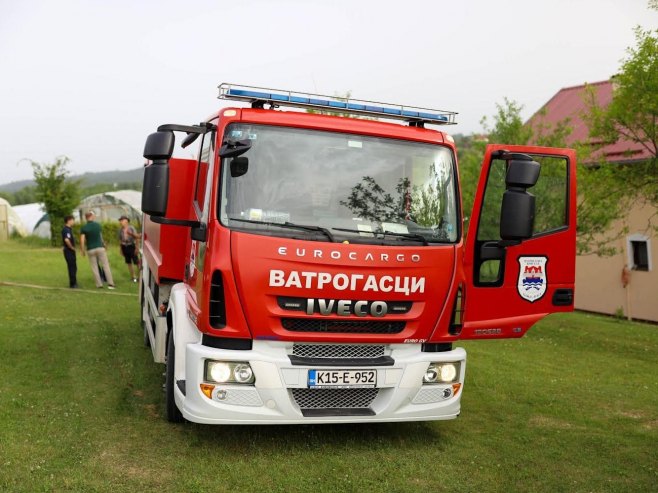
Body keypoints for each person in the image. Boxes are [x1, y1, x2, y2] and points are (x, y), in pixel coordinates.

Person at [80, 210, 116, 289]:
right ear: (91, 217)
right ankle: (111, 284)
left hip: (90, 249)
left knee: (94, 267)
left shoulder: (84, 228)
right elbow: (100, 237)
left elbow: (82, 240)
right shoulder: (98, 225)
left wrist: (82, 250)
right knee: (105, 265)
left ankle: (99, 284)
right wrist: (104, 245)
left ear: (86, 218)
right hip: (100, 248)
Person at [118, 215, 141, 282]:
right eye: (120, 221)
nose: (121, 222)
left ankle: (140, 276)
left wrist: (137, 247)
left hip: (131, 246)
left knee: (136, 262)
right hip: (124, 246)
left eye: (122, 220)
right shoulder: (120, 230)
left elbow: (137, 238)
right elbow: (120, 240)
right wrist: (121, 249)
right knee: (128, 262)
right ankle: (133, 277)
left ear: (126, 221)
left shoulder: (131, 228)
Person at [61, 215, 78, 288]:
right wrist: (71, 247)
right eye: (73, 220)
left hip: (70, 250)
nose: (73, 222)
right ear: (69, 220)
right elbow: (66, 240)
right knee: (71, 267)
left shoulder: (69, 229)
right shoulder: (66, 230)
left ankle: (74, 282)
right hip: (68, 250)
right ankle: (73, 284)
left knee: (74, 266)